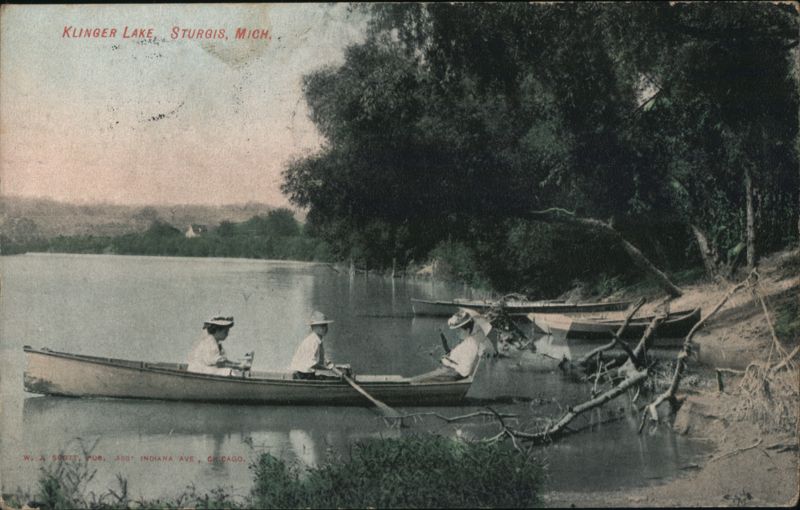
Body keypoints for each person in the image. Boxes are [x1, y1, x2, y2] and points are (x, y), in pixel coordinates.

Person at [412, 309, 488, 382]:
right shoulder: (467, 342)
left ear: (467, 330)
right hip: (450, 370)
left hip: (454, 373)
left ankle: (411, 382)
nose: (458, 333)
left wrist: (447, 362)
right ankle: (412, 381)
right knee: (424, 377)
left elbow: (462, 370)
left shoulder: (470, 344)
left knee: (423, 379)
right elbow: (455, 357)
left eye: (459, 330)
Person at [289, 311, 335, 380]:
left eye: (326, 325)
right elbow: (311, 364)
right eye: (322, 326)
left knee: (331, 377)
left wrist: (329, 365)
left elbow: (322, 360)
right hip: (300, 375)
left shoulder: (317, 340)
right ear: (314, 327)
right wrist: (327, 368)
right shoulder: (312, 341)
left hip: (306, 373)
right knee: (331, 378)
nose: (325, 328)